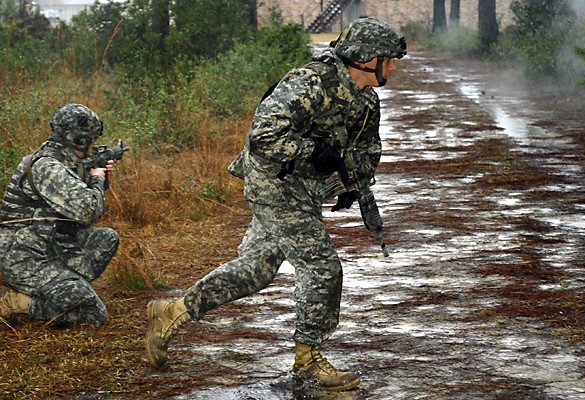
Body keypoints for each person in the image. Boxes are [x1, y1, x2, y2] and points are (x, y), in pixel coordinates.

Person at [145, 17, 407, 392]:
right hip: (273, 180)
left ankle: (172, 313)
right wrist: (312, 150)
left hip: (304, 187)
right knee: (321, 266)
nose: (393, 67)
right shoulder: (309, 83)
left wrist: (353, 182)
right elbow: (263, 137)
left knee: (257, 269)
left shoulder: (366, 101)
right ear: (365, 58)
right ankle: (308, 361)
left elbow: (368, 151)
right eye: (389, 59)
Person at [0, 103, 119, 327]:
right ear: (80, 140)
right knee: (92, 314)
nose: (91, 145)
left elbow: (73, 208)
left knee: (106, 238)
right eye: (90, 140)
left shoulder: (59, 160)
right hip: (23, 256)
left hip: (46, 244)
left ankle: (66, 288)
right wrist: (97, 178)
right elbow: (87, 211)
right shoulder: (48, 167)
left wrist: (93, 177)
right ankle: (16, 302)